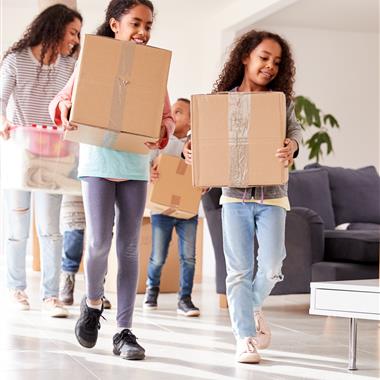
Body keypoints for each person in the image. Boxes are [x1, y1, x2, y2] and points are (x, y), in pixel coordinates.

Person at [49, 0, 174, 360]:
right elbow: (61, 102)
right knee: (101, 241)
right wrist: (67, 111)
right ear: (115, 24)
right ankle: (91, 304)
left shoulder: (153, 69)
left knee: (130, 247)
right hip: (98, 162)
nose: (143, 32)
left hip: (135, 165)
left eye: (148, 26)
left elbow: (165, 117)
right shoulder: (94, 60)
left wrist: (161, 133)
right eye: (136, 23)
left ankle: (124, 331)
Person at [183, 30, 302, 364]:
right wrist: (192, 153)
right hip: (234, 197)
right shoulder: (221, 101)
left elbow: (294, 133)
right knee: (237, 271)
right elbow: (199, 141)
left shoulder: (281, 102)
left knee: (273, 265)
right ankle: (245, 337)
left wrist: (291, 146)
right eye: (264, 58)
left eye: (276, 62)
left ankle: (251, 309)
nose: (270, 67)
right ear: (246, 57)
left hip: (273, 196)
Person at [0, 4, 82, 318]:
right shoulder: (16, 60)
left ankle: (50, 296)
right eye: (72, 32)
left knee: (50, 229)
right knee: (17, 227)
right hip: (21, 152)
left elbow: (74, 104)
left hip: (55, 155)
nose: (75, 40)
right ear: (55, 27)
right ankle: (16, 289)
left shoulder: (68, 65)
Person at [143, 98, 200, 317]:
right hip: (161, 210)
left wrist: (205, 185)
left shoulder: (197, 144)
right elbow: (146, 163)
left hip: (188, 211)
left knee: (189, 257)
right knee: (158, 256)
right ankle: (152, 290)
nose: (172, 116)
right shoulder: (161, 142)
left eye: (178, 112)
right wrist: (151, 172)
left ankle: (185, 299)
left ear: (191, 120)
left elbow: (205, 173)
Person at [59, 195, 112, 309]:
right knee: (74, 233)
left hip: (102, 181)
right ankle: (68, 280)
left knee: (100, 238)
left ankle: (97, 290)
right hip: (74, 185)